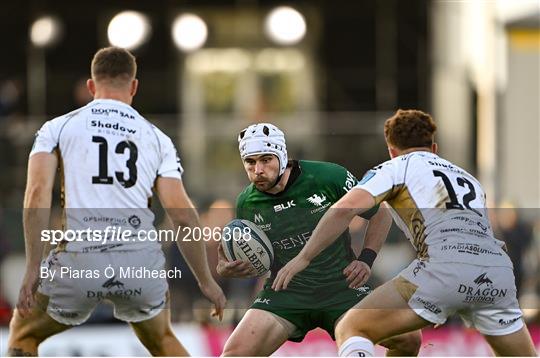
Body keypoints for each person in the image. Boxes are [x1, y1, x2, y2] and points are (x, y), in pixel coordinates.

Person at [7, 47, 226, 357]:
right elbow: (182, 214)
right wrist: (206, 281)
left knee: (23, 334)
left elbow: (37, 193)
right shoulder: (157, 138)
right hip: (139, 263)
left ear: (91, 87)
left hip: (80, 261)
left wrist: (32, 270)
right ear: (133, 87)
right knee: (162, 340)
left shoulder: (57, 128)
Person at [273, 109, 537, 356]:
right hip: (495, 272)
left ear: (391, 150)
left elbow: (343, 210)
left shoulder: (397, 167)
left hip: (444, 268)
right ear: (434, 148)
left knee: (351, 328)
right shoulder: (469, 179)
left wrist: (304, 257)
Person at [217, 123, 421, 356]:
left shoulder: (328, 177)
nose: (258, 169)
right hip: (287, 294)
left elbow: (381, 211)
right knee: (233, 353)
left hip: (342, 288)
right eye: (250, 162)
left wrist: (366, 258)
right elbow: (258, 256)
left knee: (409, 339)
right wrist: (229, 267)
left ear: (282, 156)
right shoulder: (246, 202)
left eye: (266, 159)